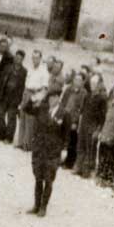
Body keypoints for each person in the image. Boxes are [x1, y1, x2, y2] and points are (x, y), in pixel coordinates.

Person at [28, 86, 67, 216]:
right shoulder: (42, 109)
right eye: (50, 98)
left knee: (48, 179)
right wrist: (34, 97)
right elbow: (26, 109)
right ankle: (36, 205)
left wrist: (64, 150)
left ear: (58, 99)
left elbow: (66, 135)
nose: (51, 100)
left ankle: (43, 207)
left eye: (54, 98)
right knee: (38, 178)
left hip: (53, 151)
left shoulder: (64, 114)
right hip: (39, 148)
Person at [76, 73, 107, 178]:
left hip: (92, 126)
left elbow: (103, 117)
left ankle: (86, 171)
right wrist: (80, 124)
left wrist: (98, 130)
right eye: (91, 83)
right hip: (84, 123)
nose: (92, 85)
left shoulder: (102, 99)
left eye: (95, 83)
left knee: (90, 149)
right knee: (81, 146)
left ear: (99, 85)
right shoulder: (87, 95)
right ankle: (78, 167)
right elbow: (82, 111)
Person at [19, 50, 49, 150]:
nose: (34, 60)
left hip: (35, 94)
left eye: (36, 58)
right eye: (33, 58)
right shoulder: (30, 69)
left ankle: (27, 145)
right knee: (22, 117)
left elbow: (44, 89)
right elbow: (26, 82)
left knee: (30, 120)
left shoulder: (44, 72)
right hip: (27, 92)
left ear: (40, 59)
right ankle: (20, 142)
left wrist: (37, 100)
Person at [0, 50, 27, 143]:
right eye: (16, 57)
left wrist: (19, 100)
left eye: (20, 58)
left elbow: (23, 87)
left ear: (23, 60)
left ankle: (9, 137)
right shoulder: (8, 68)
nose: (17, 59)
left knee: (11, 118)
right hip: (5, 95)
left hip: (14, 98)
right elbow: (2, 81)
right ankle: (2, 134)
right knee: (0, 115)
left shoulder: (24, 72)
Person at [61, 73, 87, 169]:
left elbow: (81, 108)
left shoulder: (83, 93)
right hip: (65, 116)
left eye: (79, 80)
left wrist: (75, 122)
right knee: (63, 138)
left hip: (73, 119)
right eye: (75, 79)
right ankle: (60, 159)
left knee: (72, 141)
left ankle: (69, 162)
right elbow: (63, 102)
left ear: (83, 82)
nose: (77, 82)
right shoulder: (68, 89)